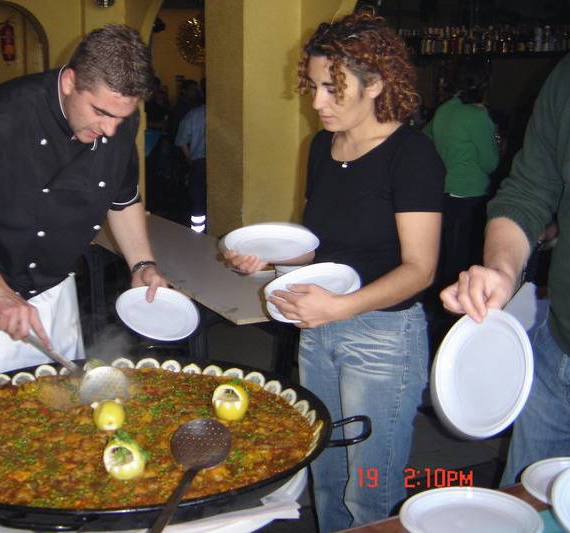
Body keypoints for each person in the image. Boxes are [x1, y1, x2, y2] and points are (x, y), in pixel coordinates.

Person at [224, 12, 444, 532]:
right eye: (315, 87)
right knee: (323, 474)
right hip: (318, 327)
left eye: (332, 89)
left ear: (377, 85)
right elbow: (321, 250)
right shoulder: (322, 147)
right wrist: (268, 260)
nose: (317, 102)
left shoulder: (411, 156)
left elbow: (420, 269)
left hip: (382, 337)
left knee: (369, 489)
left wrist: (340, 307)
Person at [0, 24, 168, 399]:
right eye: (100, 112)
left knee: (58, 414)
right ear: (69, 81)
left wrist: (142, 264)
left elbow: (122, 198)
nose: (111, 130)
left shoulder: (119, 123)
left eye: (122, 118)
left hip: (54, 291)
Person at [440, 53, 570, 487]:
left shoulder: (444, 113)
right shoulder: (565, 75)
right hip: (555, 350)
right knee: (524, 507)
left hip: (451, 202)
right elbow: (529, 187)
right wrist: (500, 269)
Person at [423, 62, 499, 340]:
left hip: (444, 195)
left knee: (444, 259)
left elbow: (425, 139)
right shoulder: (478, 117)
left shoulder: (444, 111)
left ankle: (437, 318)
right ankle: (459, 327)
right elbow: (490, 163)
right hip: (471, 197)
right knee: (464, 264)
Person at [175, 103, 206, 232]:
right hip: (221, 165)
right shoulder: (227, 111)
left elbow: (181, 141)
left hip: (198, 163)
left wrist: (190, 159)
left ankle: (198, 237)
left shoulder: (194, 113)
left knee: (198, 204)